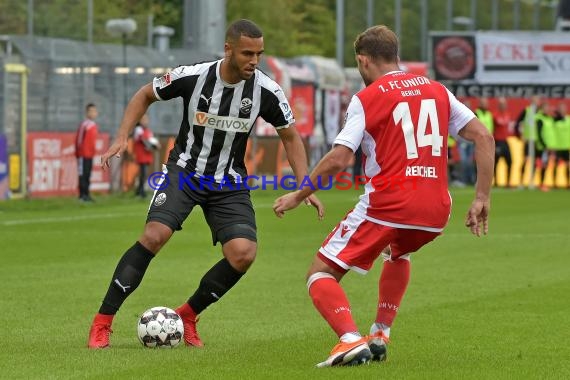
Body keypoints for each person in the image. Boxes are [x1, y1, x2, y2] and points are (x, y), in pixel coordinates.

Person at [87, 19, 323, 349]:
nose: (254, 61)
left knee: (243, 254)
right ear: (228, 50)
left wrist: (304, 185)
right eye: (247, 53)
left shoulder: (267, 91)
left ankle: (187, 314)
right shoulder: (193, 76)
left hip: (229, 182)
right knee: (155, 235)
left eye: (259, 54)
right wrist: (123, 135)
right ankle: (102, 321)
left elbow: (290, 137)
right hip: (184, 172)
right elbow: (145, 94)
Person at [273, 25, 495, 367]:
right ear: (396, 56)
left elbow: (339, 159)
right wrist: (481, 197)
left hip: (388, 204)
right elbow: (483, 136)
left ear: (363, 61)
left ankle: (349, 339)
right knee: (399, 252)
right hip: (436, 212)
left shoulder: (368, 97)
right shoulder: (437, 90)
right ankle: (379, 333)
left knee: (320, 274)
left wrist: (300, 194)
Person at [515, 97, 548, 189]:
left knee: (537, 162)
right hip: (529, 140)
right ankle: (521, 182)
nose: (536, 103)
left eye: (537, 101)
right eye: (534, 101)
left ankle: (532, 181)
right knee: (525, 160)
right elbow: (517, 122)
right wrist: (519, 135)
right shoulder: (527, 111)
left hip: (538, 142)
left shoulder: (541, 113)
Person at [133, 113, 160, 198]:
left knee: (144, 174)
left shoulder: (148, 131)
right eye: (143, 119)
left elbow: (152, 141)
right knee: (143, 174)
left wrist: (156, 145)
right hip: (141, 155)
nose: (145, 121)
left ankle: (139, 191)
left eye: (146, 119)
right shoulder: (138, 129)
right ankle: (141, 192)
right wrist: (153, 146)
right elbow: (144, 141)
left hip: (147, 156)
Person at [75, 103, 99, 202]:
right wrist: (79, 153)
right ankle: (82, 195)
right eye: (91, 111)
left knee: (88, 174)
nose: (93, 113)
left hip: (90, 155)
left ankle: (87, 194)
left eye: (94, 111)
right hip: (83, 154)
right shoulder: (85, 125)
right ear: (86, 113)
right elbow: (79, 140)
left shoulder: (93, 125)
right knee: (82, 174)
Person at [492, 97, 513, 187]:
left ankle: (508, 182)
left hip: (505, 141)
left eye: (504, 104)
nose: (503, 106)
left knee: (509, 161)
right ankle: (495, 181)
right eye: (501, 104)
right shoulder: (495, 115)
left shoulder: (508, 114)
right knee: (496, 161)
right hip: (498, 141)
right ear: (499, 105)